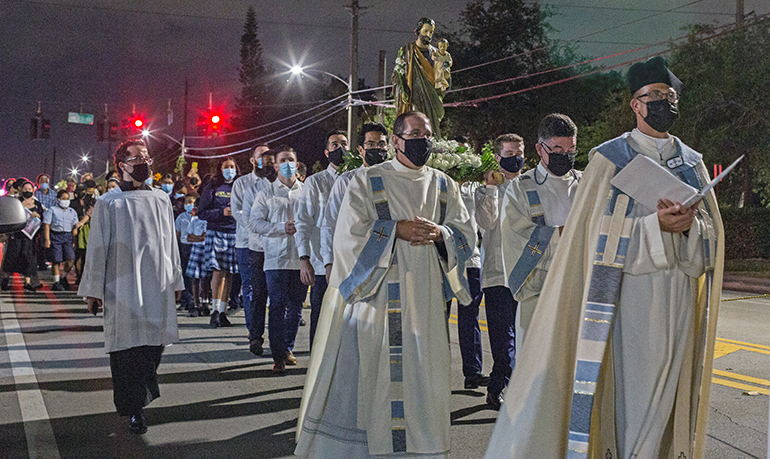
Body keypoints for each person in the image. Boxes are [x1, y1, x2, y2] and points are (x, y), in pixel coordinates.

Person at [485, 57, 724, 459]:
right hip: (627, 300)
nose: (664, 103)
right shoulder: (609, 160)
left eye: (670, 96)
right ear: (636, 104)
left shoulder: (693, 162)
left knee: (670, 395)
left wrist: (686, 228)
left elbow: (713, 237)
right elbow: (591, 238)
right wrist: (654, 229)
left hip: (679, 294)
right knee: (631, 396)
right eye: (655, 96)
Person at [295, 111, 475, 458]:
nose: (422, 141)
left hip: (425, 301)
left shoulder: (443, 184)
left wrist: (441, 234)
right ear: (396, 141)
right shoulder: (367, 181)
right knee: (379, 377)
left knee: (425, 373)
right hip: (378, 298)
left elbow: (465, 235)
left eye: (426, 134)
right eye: (414, 134)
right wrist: (395, 230)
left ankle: (424, 448)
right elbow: (347, 237)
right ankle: (376, 448)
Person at [78, 139, 184, 435]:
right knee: (127, 350)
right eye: (137, 158)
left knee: (153, 345)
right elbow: (97, 248)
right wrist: (93, 290)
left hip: (157, 283)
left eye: (147, 157)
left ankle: (141, 398)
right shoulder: (109, 202)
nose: (145, 162)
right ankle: (133, 409)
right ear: (122, 165)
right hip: (121, 285)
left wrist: (176, 280)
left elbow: (170, 242)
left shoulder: (161, 199)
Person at [500, 114, 581, 349]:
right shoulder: (522, 187)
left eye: (571, 149)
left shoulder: (586, 185)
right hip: (539, 296)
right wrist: (565, 234)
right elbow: (517, 236)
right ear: (539, 148)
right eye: (557, 148)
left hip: (580, 293)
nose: (565, 155)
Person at [474, 134, 525, 410]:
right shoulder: (484, 191)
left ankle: (520, 388)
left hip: (527, 272)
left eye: (519, 152)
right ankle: (497, 386)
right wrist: (491, 188)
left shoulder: (532, 186)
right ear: (497, 157)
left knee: (526, 335)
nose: (515, 158)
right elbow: (486, 223)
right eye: (509, 153)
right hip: (497, 275)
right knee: (502, 340)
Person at [249, 146, 304, 372]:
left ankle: (288, 346)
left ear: (297, 164)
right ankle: (278, 354)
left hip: (301, 258)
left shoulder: (306, 191)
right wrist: (281, 228)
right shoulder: (267, 193)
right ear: (275, 165)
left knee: (297, 306)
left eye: (291, 159)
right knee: (278, 305)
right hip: (276, 259)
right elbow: (255, 223)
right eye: (283, 160)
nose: (287, 164)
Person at [294, 130, 348, 350]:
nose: (340, 148)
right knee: (321, 311)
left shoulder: (356, 179)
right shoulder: (315, 182)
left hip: (349, 260)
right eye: (335, 145)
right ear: (327, 152)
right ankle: (317, 360)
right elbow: (303, 222)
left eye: (344, 144)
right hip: (320, 262)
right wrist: (304, 258)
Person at [319, 122, 391, 285]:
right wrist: (329, 262)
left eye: (381, 144)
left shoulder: (397, 180)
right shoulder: (346, 181)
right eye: (370, 144)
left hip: (388, 261)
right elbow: (330, 223)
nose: (376, 149)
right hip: (353, 259)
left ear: (388, 148)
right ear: (360, 150)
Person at [231, 144, 273, 355]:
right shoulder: (242, 184)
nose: (264, 161)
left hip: (271, 245)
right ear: (252, 160)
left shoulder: (272, 183)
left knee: (268, 290)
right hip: (247, 243)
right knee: (251, 288)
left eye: (268, 158)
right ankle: (253, 331)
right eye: (261, 157)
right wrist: (257, 229)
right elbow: (239, 213)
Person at [446, 177, 487, 393]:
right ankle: (438, 371)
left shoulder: (473, 185)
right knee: (440, 318)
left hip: (470, 259)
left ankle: (472, 372)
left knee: (470, 317)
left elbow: (485, 221)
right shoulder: (438, 181)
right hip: (442, 260)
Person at [198, 158, 240, 328]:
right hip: (217, 232)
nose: (230, 169)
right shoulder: (213, 187)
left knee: (229, 273)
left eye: (232, 166)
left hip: (235, 233)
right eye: (226, 167)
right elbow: (202, 212)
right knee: (218, 271)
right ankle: (215, 310)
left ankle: (223, 311)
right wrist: (221, 212)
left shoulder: (240, 186)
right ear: (220, 169)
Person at [393, 17, 446, 138]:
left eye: (431, 32)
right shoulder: (407, 51)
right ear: (418, 31)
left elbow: (443, 77)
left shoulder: (437, 53)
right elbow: (398, 75)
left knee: (432, 126)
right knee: (415, 125)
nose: (428, 35)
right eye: (426, 31)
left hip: (433, 98)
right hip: (414, 97)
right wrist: (403, 90)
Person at [0, 180, 44, 291]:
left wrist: (37, 215)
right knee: (11, 257)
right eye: (25, 189)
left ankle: (28, 282)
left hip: (30, 236)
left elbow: (42, 218)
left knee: (29, 257)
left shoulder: (37, 204)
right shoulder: (17, 202)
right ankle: (5, 280)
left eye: (30, 189)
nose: (27, 191)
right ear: (21, 190)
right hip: (16, 234)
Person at [42, 189, 85, 291]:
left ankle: (63, 277)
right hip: (55, 235)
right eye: (63, 198)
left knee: (70, 259)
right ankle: (56, 282)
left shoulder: (72, 211)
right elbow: (46, 225)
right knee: (56, 260)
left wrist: (74, 239)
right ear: (58, 199)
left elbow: (75, 227)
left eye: (67, 199)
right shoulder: (52, 210)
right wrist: (47, 239)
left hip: (68, 236)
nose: (66, 201)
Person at [183, 197, 208, 317]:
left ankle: (205, 302)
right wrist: (198, 238)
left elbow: (206, 237)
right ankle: (196, 303)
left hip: (205, 249)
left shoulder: (207, 221)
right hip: (195, 249)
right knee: (195, 279)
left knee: (205, 279)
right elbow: (189, 237)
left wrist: (197, 237)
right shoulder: (194, 220)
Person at [175, 192, 199, 313]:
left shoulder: (199, 217)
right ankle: (186, 299)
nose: (188, 205)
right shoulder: (181, 217)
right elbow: (177, 233)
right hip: (184, 246)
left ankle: (196, 301)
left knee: (195, 275)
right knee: (184, 274)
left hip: (196, 246)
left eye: (191, 202)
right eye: (186, 202)